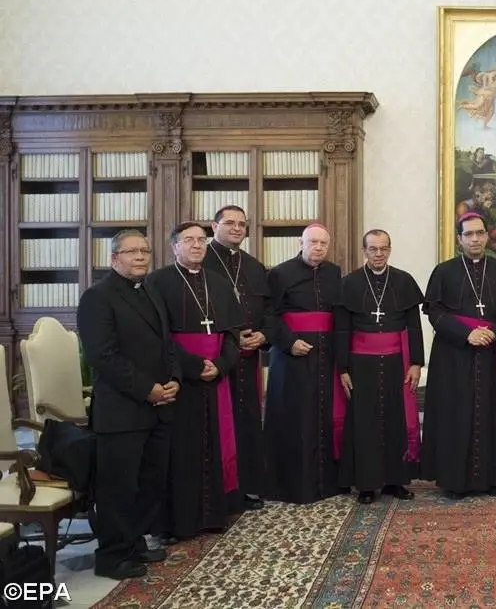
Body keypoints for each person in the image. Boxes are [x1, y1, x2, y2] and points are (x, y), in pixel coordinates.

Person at [78, 230, 178, 579]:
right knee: (117, 488)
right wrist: (147, 388)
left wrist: (174, 378)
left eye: (145, 251)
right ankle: (111, 556)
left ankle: (134, 542)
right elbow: (102, 357)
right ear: (114, 258)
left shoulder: (150, 289)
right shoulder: (97, 297)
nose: (140, 256)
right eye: (131, 251)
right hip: (122, 410)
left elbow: (167, 343)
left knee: (148, 483)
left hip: (159, 405)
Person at [146, 222, 245, 541]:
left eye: (201, 240)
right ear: (174, 246)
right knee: (181, 451)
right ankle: (179, 521)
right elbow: (156, 337)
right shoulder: (157, 282)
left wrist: (219, 364)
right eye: (188, 240)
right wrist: (191, 366)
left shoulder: (218, 283)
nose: (197, 245)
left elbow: (232, 334)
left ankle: (213, 514)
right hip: (179, 378)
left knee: (214, 444)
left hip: (215, 376)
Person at [421, 212, 496, 499]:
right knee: (456, 413)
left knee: (491, 412)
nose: (475, 239)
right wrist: (467, 334)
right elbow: (434, 311)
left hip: (489, 352)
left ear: (487, 235)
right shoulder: (444, 271)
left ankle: (493, 479)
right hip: (454, 353)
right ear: (459, 238)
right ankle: (454, 480)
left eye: (479, 233)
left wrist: (493, 334)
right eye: (469, 234)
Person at [336, 229, 425, 505]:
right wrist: (343, 369)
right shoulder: (349, 283)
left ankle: (395, 481)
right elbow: (342, 329)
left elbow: (413, 325)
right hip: (361, 364)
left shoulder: (403, 280)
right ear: (364, 251)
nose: (378, 254)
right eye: (373, 249)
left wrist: (416, 363)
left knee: (396, 418)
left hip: (397, 362)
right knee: (365, 423)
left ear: (390, 249)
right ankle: (366, 483)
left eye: (383, 249)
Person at [264, 223, 348, 504]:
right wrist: (289, 343)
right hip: (292, 358)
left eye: (323, 243)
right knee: (295, 418)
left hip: (326, 356)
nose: (318, 248)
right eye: (312, 242)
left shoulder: (334, 273)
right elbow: (269, 316)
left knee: (324, 416)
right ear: (301, 243)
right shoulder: (279, 273)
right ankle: (293, 486)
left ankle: (327, 483)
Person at [204, 205, 276, 510]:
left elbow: (271, 311)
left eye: (242, 224)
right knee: (217, 423)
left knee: (246, 421)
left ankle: (247, 488)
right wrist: (234, 337)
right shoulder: (200, 261)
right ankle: (218, 491)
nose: (236, 228)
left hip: (248, 359)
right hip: (216, 359)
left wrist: (264, 335)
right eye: (229, 223)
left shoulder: (255, 266)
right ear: (214, 226)